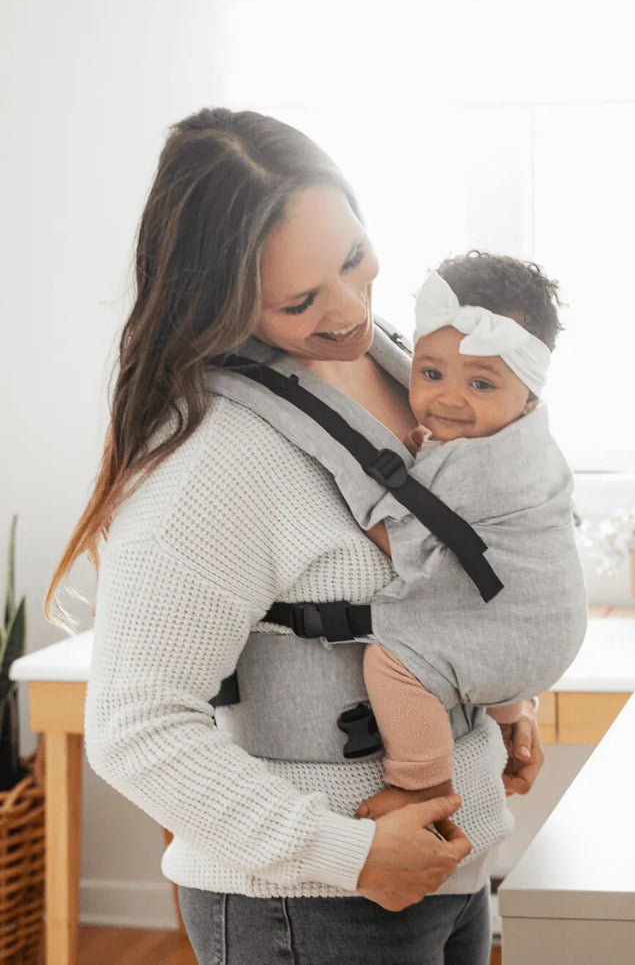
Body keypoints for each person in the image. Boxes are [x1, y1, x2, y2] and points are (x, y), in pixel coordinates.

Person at [46, 108, 545, 964]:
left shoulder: (397, 363)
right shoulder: (211, 461)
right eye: (301, 299)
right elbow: (135, 725)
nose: (350, 308)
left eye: (354, 258)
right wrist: (348, 855)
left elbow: (435, 568)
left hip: (452, 871)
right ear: (224, 301)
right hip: (313, 908)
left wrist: (501, 697)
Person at [358, 253, 586, 818]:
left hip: (517, 635)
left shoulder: (474, 466)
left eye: (480, 383)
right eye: (431, 374)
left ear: (528, 394)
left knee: (392, 660)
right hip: (547, 625)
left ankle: (422, 785)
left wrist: (362, 509)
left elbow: (399, 541)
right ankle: (508, 712)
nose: (449, 399)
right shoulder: (529, 442)